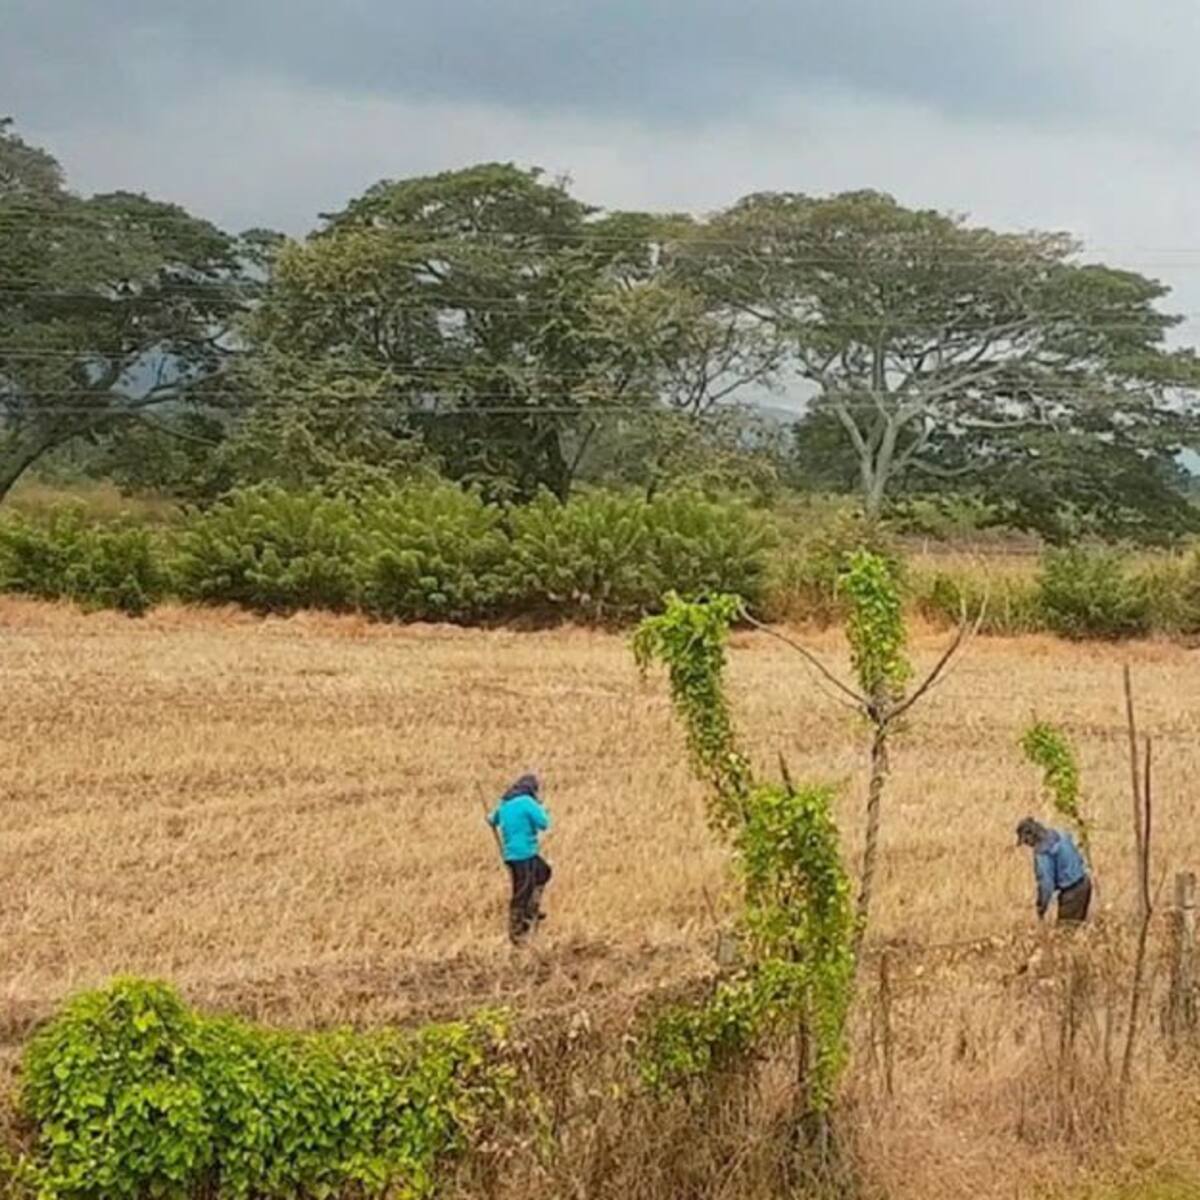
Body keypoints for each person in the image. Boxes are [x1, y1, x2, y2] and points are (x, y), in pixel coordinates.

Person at [488, 774, 552, 944]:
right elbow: (544, 824)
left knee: (543, 871)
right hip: (525, 854)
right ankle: (517, 930)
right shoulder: (527, 802)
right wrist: (543, 811)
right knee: (523, 890)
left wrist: (490, 818)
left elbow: (492, 819)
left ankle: (532, 907)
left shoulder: (505, 804)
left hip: (511, 855)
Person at [1016, 817, 1092, 924]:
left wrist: (1041, 907)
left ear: (1031, 835)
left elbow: (1046, 885)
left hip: (1071, 893)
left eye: (1026, 840)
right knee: (1078, 929)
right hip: (1085, 883)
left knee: (1066, 934)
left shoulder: (1043, 854)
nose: (1028, 844)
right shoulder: (1060, 833)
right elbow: (1078, 853)